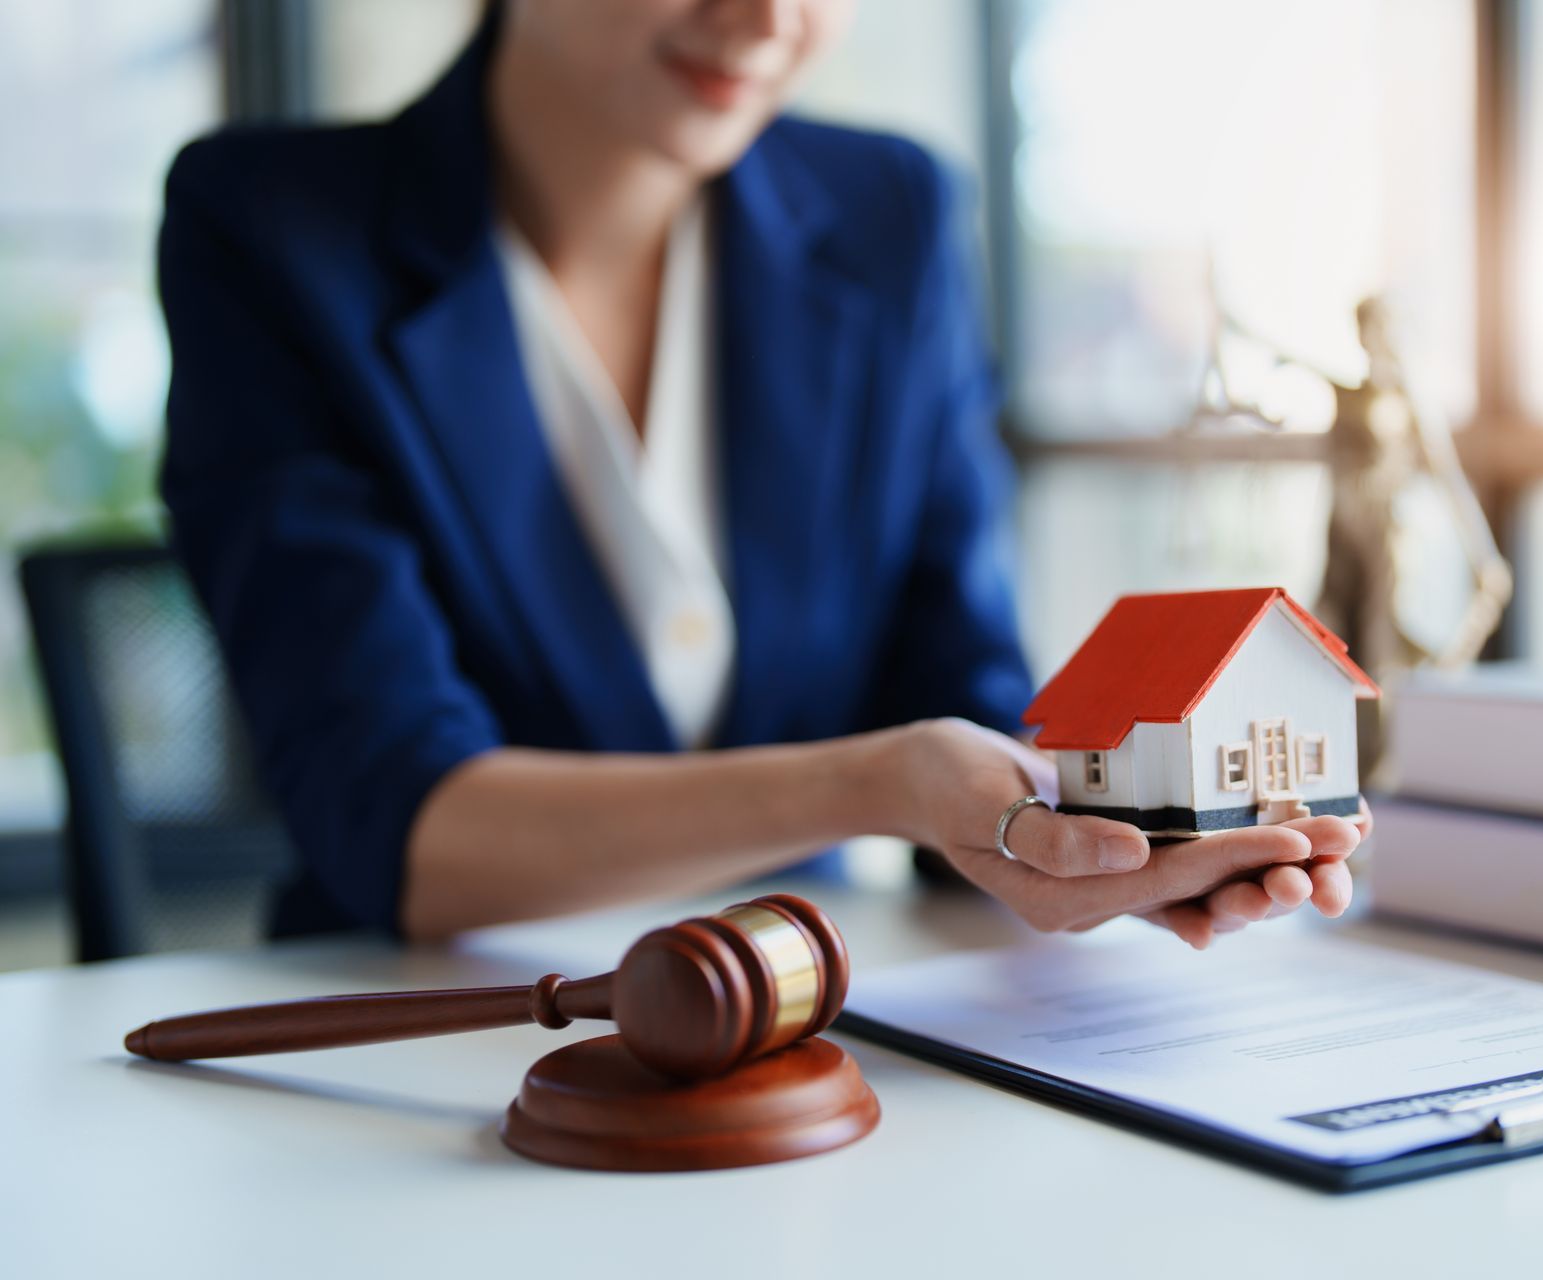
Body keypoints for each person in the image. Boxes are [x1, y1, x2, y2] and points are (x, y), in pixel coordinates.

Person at [158, 0, 1364, 951]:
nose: (768, 15)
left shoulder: (893, 212)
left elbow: (965, 684)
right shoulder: (269, 232)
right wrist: (879, 781)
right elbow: (395, 820)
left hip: (817, 1008)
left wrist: (1080, 845)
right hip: (421, 1038)